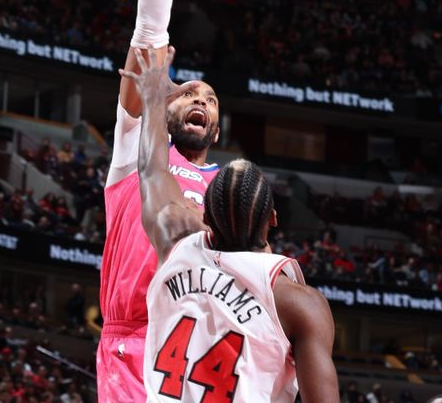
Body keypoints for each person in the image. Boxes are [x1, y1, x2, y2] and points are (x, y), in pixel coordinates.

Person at [121, 47, 340, 402]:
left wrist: (152, 98)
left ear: (205, 218)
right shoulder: (299, 304)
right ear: (271, 219)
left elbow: (151, 170)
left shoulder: (176, 242)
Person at [96, 0, 227, 402]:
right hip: (130, 344)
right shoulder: (136, 148)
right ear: (164, 102)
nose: (199, 98)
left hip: (199, 347)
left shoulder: (228, 187)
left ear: (216, 126)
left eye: (211, 98)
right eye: (189, 90)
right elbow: (149, 33)